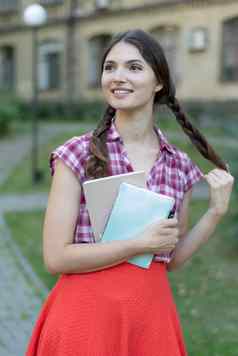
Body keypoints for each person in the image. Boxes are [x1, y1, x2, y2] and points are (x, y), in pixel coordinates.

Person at [26, 29, 234, 356]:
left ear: (159, 82)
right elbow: (56, 257)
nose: (118, 77)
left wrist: (214, 214)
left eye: (134, 68)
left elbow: (170, 257)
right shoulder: (77, 154)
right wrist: (138, 243)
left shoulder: (177, 165)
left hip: (150, 317)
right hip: (86, 319)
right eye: (110, 67)